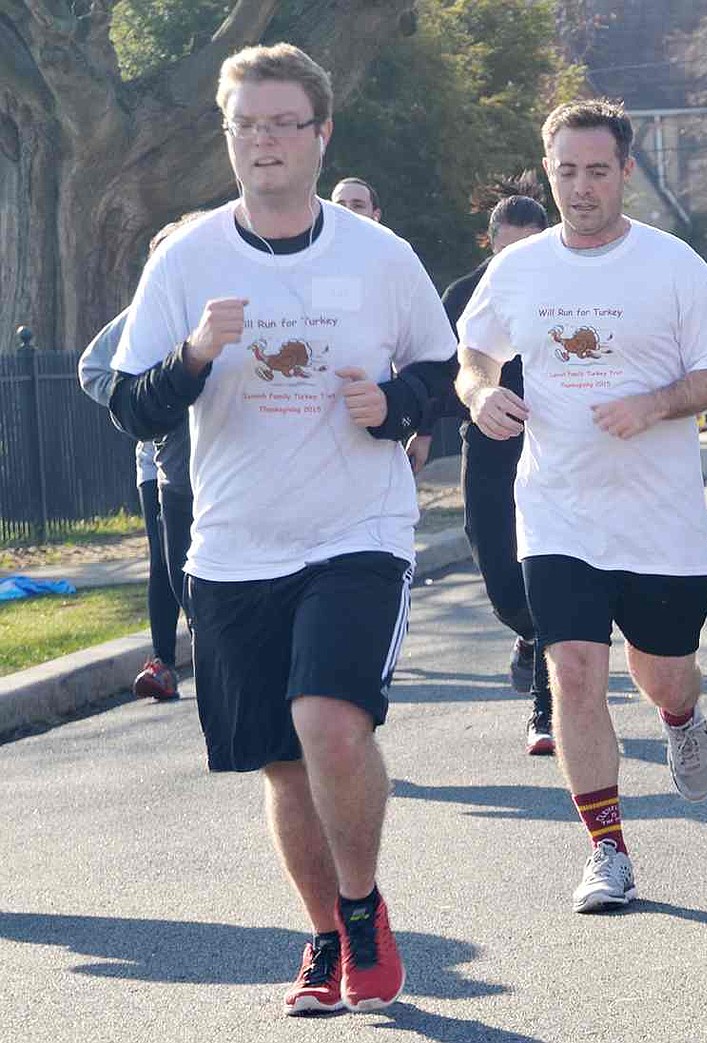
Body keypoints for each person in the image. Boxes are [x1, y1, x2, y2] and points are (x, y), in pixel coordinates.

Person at [108, 43, 456, 1014]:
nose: (262, 141)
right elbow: (132, 407)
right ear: (230, 137)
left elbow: (446, 377)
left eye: (281, 123)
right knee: (281, 761)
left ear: (321, 133)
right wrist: (191, 357)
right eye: (245, 125)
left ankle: (363, 910)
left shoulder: (380, 256)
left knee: (328, 723)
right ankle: (322, 933)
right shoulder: (187, 259)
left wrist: (395, 405)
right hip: (232, 544)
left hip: (358, 530)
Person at [455, 99, 707, 913]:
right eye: (566, 172)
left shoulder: (672, 264)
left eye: (596, 171)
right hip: (558, 510)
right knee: (574, 671)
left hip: (659, 518)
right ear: (549, 173)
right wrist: (480, 393)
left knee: (663, 672)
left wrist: (654, 404)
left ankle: (683, 717)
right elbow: (474, 352)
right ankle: (607, 849)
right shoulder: (518, 268)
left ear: (624, 171)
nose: (581, 188)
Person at [408, 175, 554, 755]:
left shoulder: (563, 288)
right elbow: (442, 371)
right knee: (493, 560)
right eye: (507, 247)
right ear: (488, 243)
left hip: (551, 446)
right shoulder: (464, 295)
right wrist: (420, 432)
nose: (516, 259)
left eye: (529, 246)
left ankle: (546, 711)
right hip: (489, 443)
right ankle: (526, 633)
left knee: (549, 569)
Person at [80, 316, 180, 701]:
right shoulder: (145, 310)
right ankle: (163, 663)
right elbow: (92, 369)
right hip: (158, 463)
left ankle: (224, 653)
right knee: (166, 558)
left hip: (224, 461)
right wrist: (139, 407)